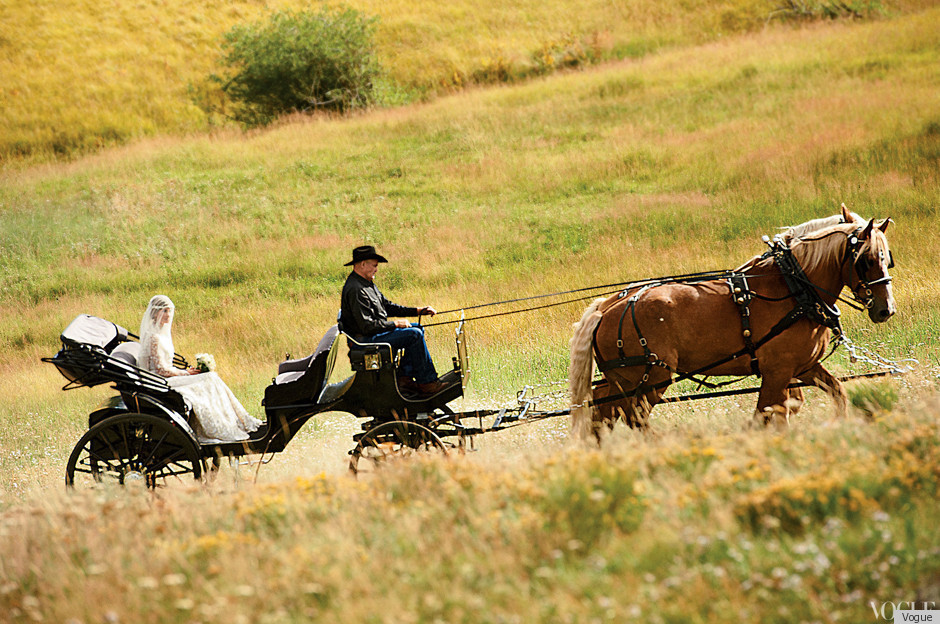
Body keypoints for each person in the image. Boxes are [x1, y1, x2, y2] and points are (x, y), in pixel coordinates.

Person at [137, 295, 263, 443]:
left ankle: (238, 421)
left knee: (211, 377)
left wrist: (185, 372)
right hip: (159, 382)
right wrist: (185, 373)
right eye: (164, 311)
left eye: (170, 311)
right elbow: (160, 370)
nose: (168, 315)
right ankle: (222, 426)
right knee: (209, 378)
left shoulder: (161, 334)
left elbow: (165, 365)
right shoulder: (154, 337)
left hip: (167, 377)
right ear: (155, 313)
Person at [340, 245, 445, 394]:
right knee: (413, 335)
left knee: (417, 329)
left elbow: (388, 306)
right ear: (363, 264)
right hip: (365, 341)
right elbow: (367, 327)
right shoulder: (356, 289)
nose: (376, 269)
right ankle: (427, 382)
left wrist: (418, 311)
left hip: (372, 334)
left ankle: (405, 378)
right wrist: (395, 324)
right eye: (375, 265)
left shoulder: (366, 284)